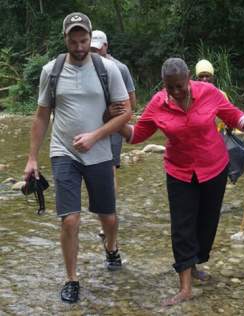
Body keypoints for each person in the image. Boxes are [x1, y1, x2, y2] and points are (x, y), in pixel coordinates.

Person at [113, 57, 244, 306]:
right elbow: (136, 135)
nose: (176, 92)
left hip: (214, 168)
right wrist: (116, 122)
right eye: (170, 87)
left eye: (180, 86)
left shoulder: (209, 92)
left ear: (189, 78)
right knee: (182, 226)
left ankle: (195, 264)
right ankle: (185, 285)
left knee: (207, 223)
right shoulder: (158, 103)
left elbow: (235, 117)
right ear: (164, 84)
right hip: (180, 172)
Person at [23, 12, 131, 304]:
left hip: (99, 153)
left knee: (107, 216)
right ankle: (72, 279)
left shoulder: (108, 69)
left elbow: (126, 113)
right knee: (69, 220)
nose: (80, 46)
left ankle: (111, 247)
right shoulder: (52, 70)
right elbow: (42, 115)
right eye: (74, 41)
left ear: (90, 38)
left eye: (84, 40)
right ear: (66, 40)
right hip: (63, 152)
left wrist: (96, 136)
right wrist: (32, 158)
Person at [90, 30, 136, 259]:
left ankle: (107, 218)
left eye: (99, 49)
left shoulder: (119, 69)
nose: (95, 52)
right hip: (91, 127)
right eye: (92, 49)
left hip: (115, 126)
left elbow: (131, 102)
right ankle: (106, 218)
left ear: (106, 46)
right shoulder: (82, 67)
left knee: (110, 169)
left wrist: (115, 118)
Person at [195, 59, 228, 131]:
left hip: (218, 136)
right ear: (197, 79)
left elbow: (229, 116)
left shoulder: (221, 95)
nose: (204, 79)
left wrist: (229, 126)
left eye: (207, 76)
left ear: (213, 78)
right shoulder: (191, 96)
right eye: (201, 76)